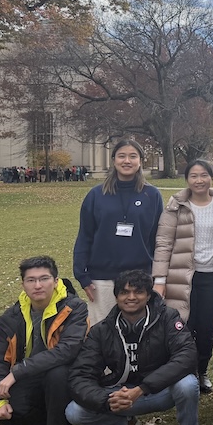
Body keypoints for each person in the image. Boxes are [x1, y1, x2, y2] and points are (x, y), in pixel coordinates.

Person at [66, 270, 205, 425]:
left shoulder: (167, 317)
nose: (131, 297)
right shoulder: (101, 330)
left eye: (138, 292)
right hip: (121, 395)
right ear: (116, 297)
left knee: (187, 384)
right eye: (124, 292)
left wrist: (142, 389)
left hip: (159, 390)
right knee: (74, 412)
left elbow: (186, 356)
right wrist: (107, 401)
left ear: (148, 296)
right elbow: (80, 375)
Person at [0, 256, 89, 425]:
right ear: (23, 284)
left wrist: (18, 372)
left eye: (44, 278)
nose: (38, 285)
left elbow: (67, 351)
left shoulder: (75, 308)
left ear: (56, 280)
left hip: (72, 377)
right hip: (32, 377)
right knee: (6, 413)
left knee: (57, 373)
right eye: (31, 280)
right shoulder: (12, 317)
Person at [152, 159, 213, 394]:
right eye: (194, 176)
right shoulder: (176, 206)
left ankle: (202, 370)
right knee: (181, 326)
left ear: (212, 178)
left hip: (212, 277)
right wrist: (159, 280)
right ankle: (182, 373)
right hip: (182, 277)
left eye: (204, 175)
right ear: (187, 179)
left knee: (206, 328)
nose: (199, 180)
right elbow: (164, 243)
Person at [73, 138, 163, 326]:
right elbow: (85, 236)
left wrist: (159, 276)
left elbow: (158, 238)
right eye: (122, 156)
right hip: (102, 278)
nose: (127, 161)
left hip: (139, 277)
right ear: (114, 160)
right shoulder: (96, 195)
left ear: (140, 161)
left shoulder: (152, 195)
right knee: (102, 331)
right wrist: (82, 275)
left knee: (138, 331)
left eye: (133, 156)